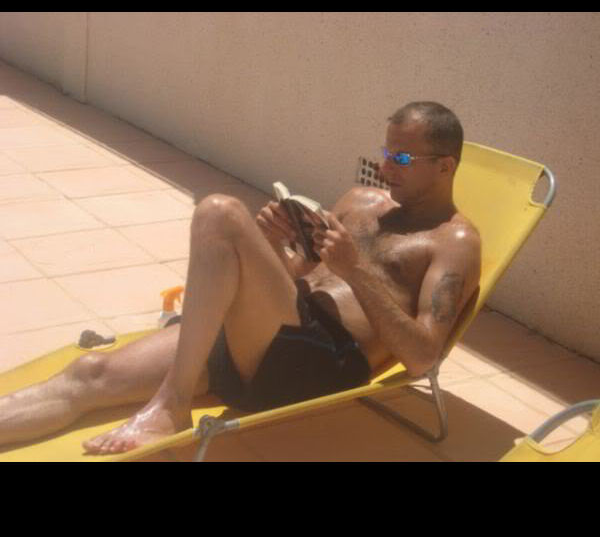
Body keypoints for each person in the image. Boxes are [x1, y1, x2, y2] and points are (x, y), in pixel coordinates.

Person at [0, 101, 481, 454]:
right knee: (89, 374)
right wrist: (273, 243)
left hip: (317, 363)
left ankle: (173, 402)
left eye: (401, 160)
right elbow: (300, 274)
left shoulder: (454, 242)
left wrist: (354, 270)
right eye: (386, 152)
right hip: (265, 335)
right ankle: (171, 397)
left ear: (445, 166)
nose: (384, 167)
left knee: (220, 212)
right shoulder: (360, 201)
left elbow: (422, 357)